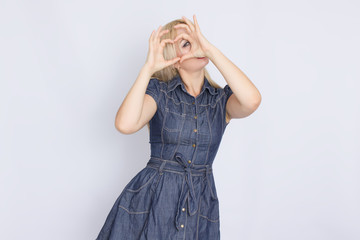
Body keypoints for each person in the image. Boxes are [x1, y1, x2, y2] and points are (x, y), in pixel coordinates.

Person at [96, 14, 261, 240]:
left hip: (200, 203)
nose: (198, 46)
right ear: (175, 58)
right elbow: (125, 124)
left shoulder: (220, 101)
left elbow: (252, 100)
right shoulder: (160, 93)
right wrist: (148, 68)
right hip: (154, 199)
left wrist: (211, 50)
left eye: (198, 39)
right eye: (187, 43)